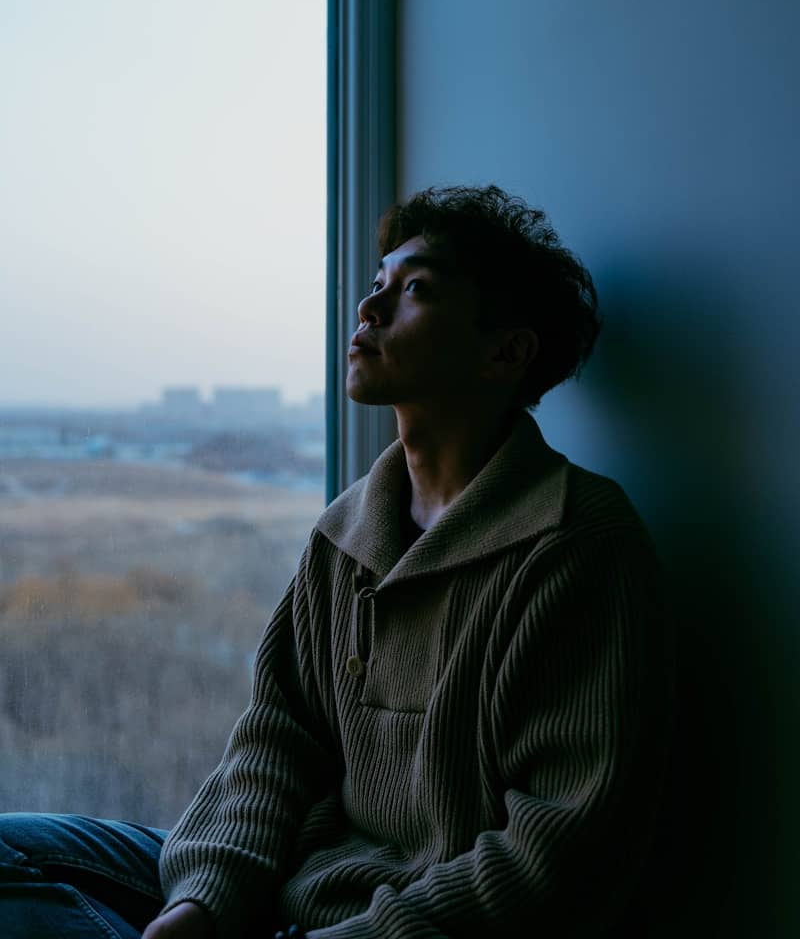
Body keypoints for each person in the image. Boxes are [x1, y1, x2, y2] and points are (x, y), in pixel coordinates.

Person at [0, 185, 672, 939]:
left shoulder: (574, 544)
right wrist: (202, 902)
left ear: (506, 350)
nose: (370, 309)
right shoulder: (346, 535)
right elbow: (276, 740)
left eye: (414, 289)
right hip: (281, 892)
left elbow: (556, 855)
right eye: (377, 285)